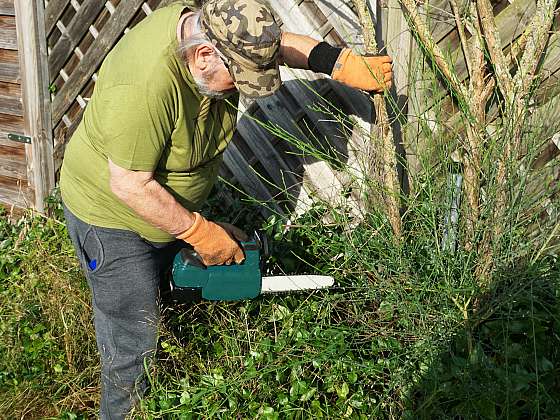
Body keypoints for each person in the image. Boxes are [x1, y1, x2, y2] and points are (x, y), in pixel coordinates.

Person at [59, 0, 392, 418]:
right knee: (134, 333)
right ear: (202, 56)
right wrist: (200, 232)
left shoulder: (218, 36)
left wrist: (339, 63)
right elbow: (130, 184)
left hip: (164, 204)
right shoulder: (143, 88)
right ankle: (124, 411)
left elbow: (273, 46)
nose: (240, 88)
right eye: (237, 79)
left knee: (169, 291)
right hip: (110, 217)